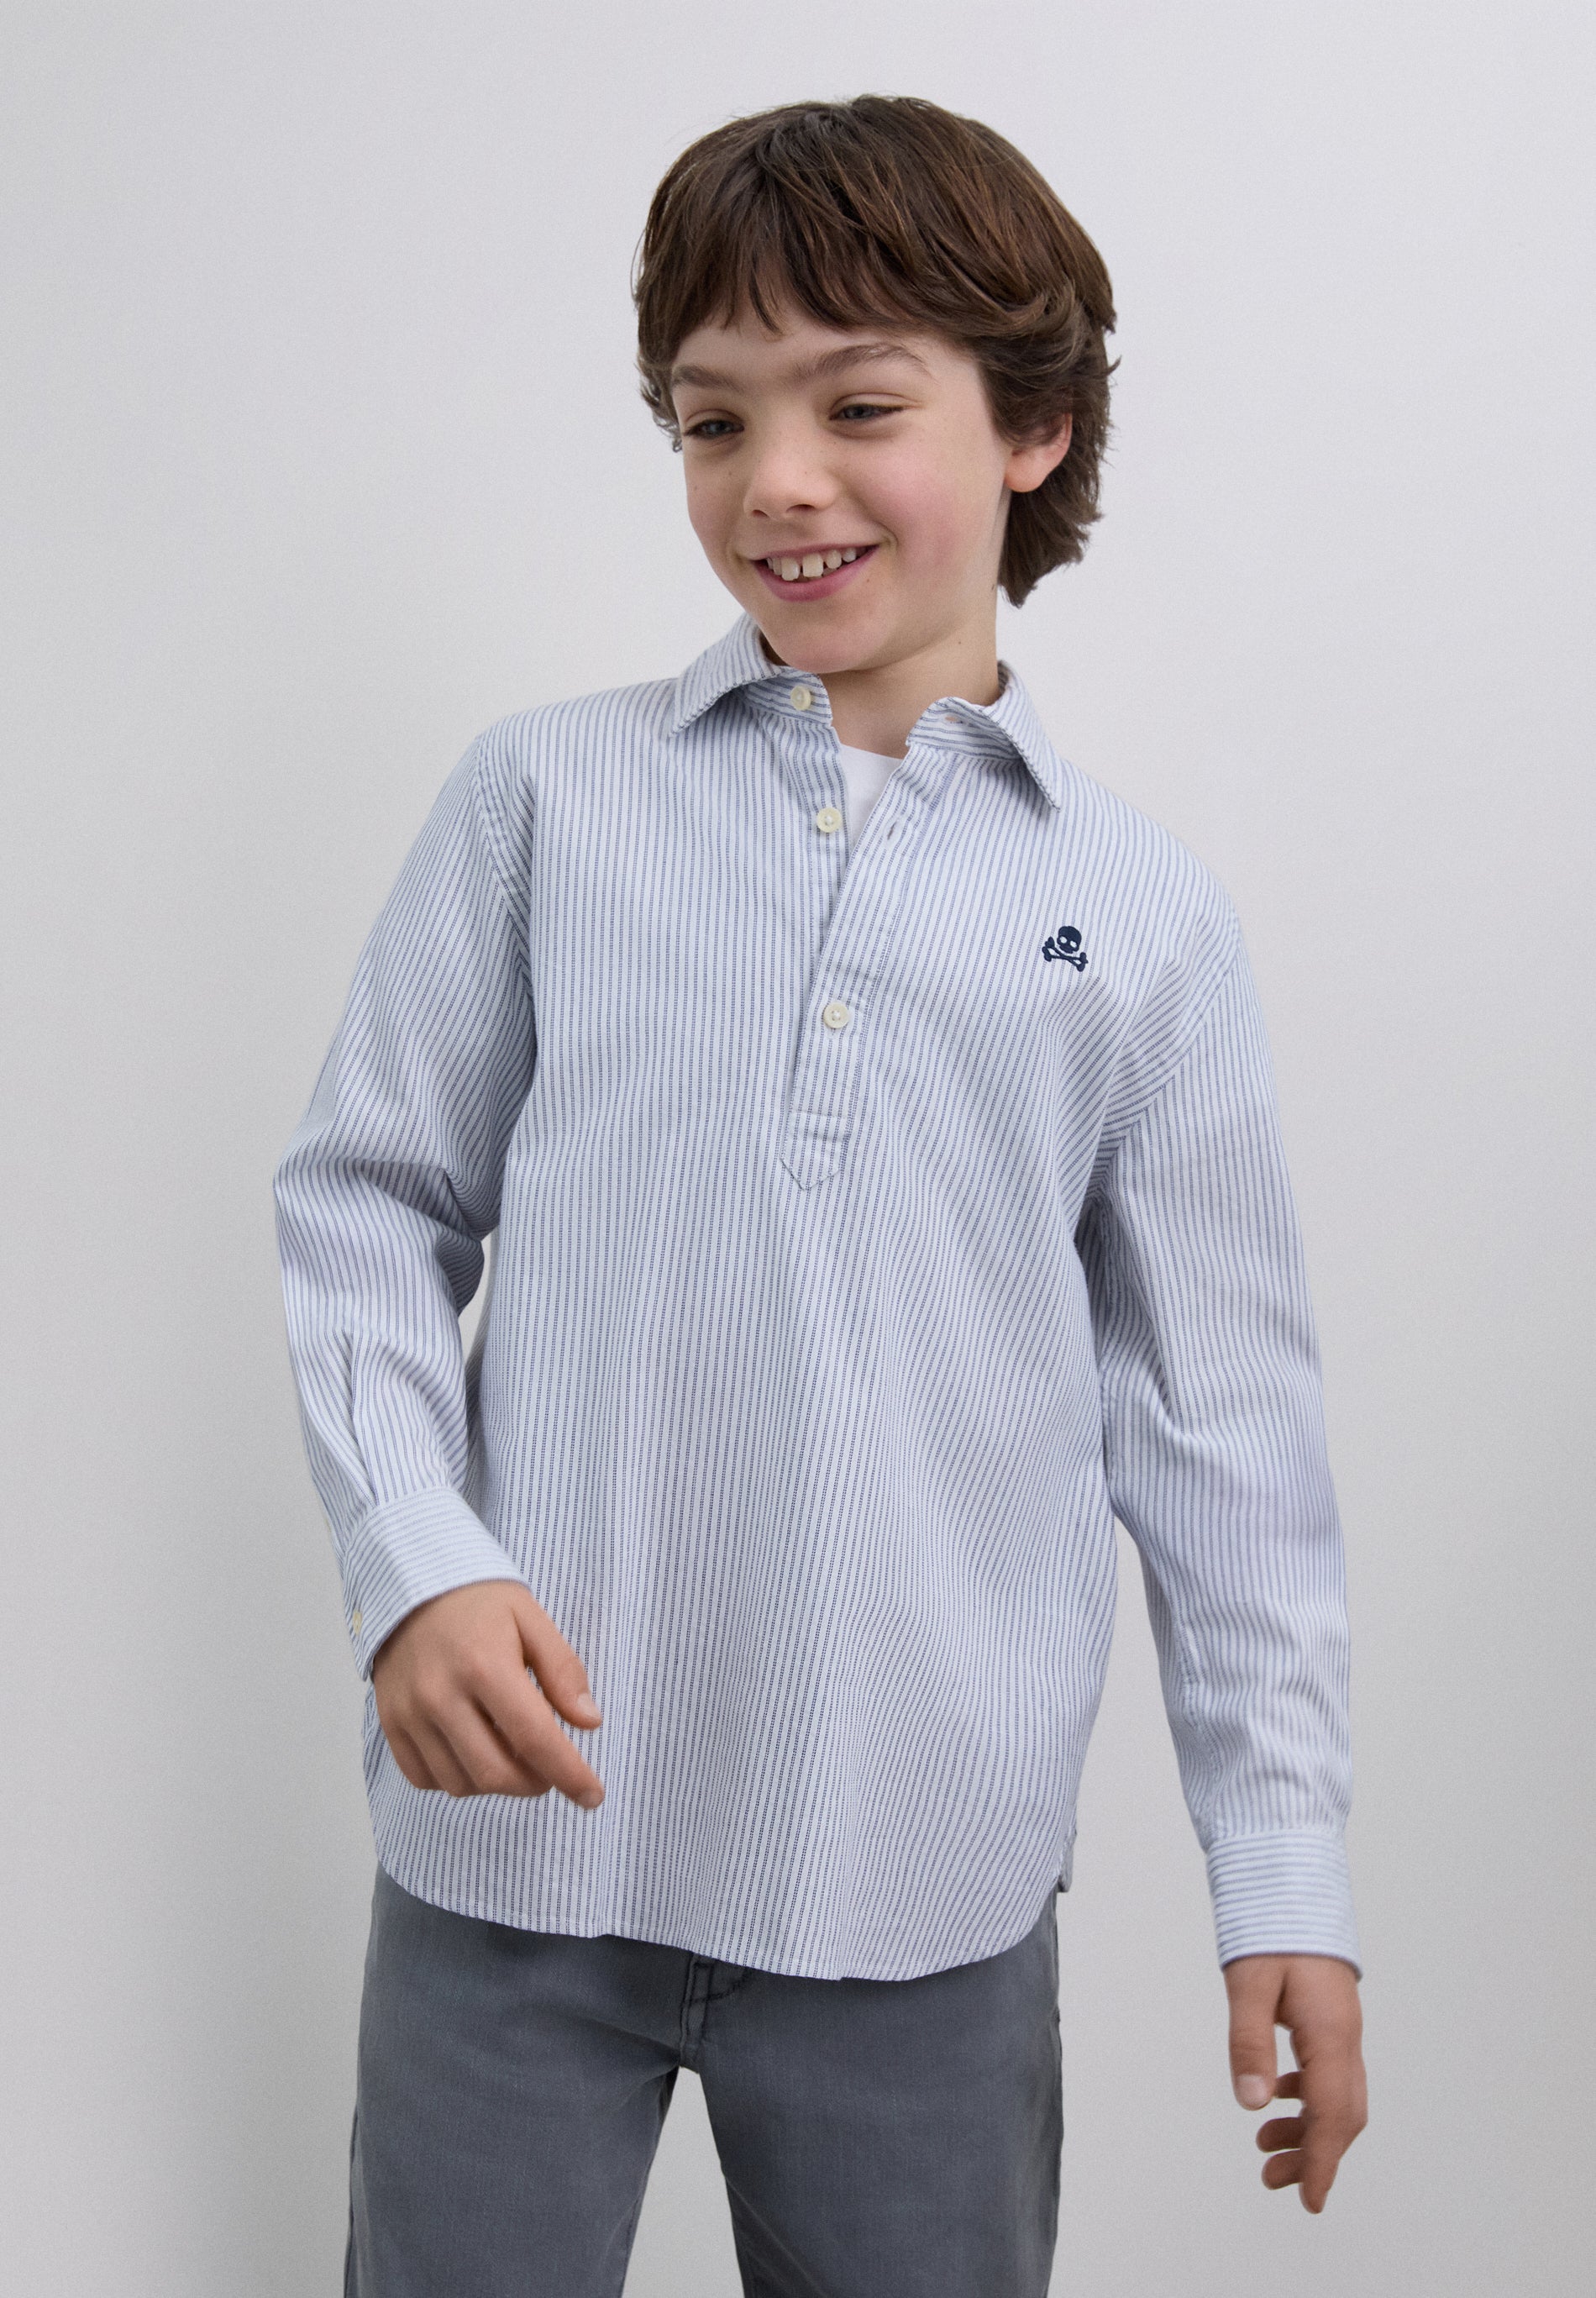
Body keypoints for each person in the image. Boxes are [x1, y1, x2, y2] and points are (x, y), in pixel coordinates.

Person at [274, 92, 1367, 2296]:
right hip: (516, 1856)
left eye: (857, 406)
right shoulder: (544, 802)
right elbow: (366, 1202)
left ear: (1034, 426)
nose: (774, 479)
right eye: (712, 419)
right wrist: (417, 1562)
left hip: (922, 1887)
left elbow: (1224, 1431)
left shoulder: (1143, 918)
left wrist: (1285, 1882)